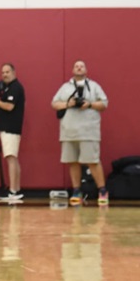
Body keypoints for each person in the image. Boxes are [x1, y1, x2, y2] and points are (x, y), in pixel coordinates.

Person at [51, 60, 109, 206]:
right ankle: (77, 190)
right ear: (72, 70)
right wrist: (68, 104)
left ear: (86, 70)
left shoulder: (95, 86)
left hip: (89, 131)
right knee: (73, 161)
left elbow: (104, 103)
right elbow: (54, 103)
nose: (79, 68)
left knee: (93, 161)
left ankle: (102, 190)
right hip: (69, 131)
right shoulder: (65, 87)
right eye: (76, 66)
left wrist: (89, 104)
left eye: (81, 66)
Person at [0, 63, 26, 202]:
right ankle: (16, 190)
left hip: (11, 127)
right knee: (12, 158)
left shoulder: (15, 87)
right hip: (7, 127)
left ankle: (13, 191)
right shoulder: (8, 88)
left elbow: (9, 106)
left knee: (11, 158)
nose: (4, 75)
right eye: (2, 72)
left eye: (7, 72)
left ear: (14, 72)